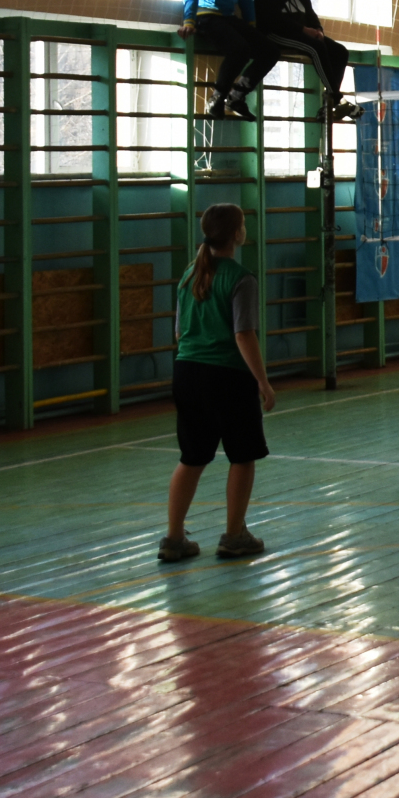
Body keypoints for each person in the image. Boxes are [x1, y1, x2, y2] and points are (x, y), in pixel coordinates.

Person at [160, 202, 274, 563]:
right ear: (238, 234)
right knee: (242, 456)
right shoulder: (241, 278)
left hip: (187, 373)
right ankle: (234, 535)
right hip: (227, 376)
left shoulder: (189, 275)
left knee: (191, 458)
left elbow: (179, 332)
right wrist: (263, 381)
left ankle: (173, 538)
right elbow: (243, 334)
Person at [180, 0, 276, 122]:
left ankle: (236, 97)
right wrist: (189, 21)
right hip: (206, 17)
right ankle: (217, 98)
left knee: (270, 51)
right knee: (240, 49)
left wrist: (251, 26)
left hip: (228, 18)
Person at [251, 0, 361, 122]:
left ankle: (329, 103)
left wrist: (318, 30)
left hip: (300, 33)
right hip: (275, 33)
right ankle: (336, 97)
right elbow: (273, 20)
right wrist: (303, 30)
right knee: (315, 48)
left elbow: (310, 13)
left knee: (340, 51)